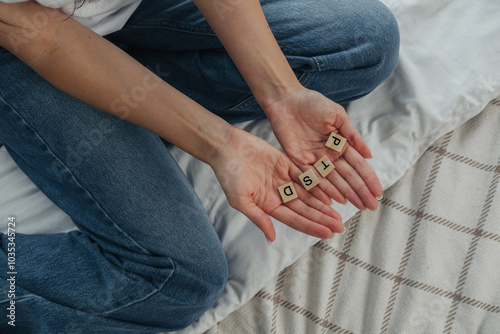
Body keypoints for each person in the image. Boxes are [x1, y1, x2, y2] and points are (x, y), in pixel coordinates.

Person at [0, 0, 399, 332]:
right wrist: (219, 143)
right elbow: (48, 40)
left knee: (365, 43)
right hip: (25, 47)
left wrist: (283, 93)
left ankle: (127, 84)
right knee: (176, 280)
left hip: (124, 13)